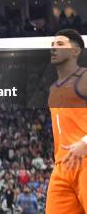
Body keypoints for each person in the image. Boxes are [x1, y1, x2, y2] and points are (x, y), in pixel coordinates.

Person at [46, 29, 87, 213]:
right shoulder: (53, 89)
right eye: (52, 45)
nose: (54, 48)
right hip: (62, 165)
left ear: (75, 51)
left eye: (60, 44)